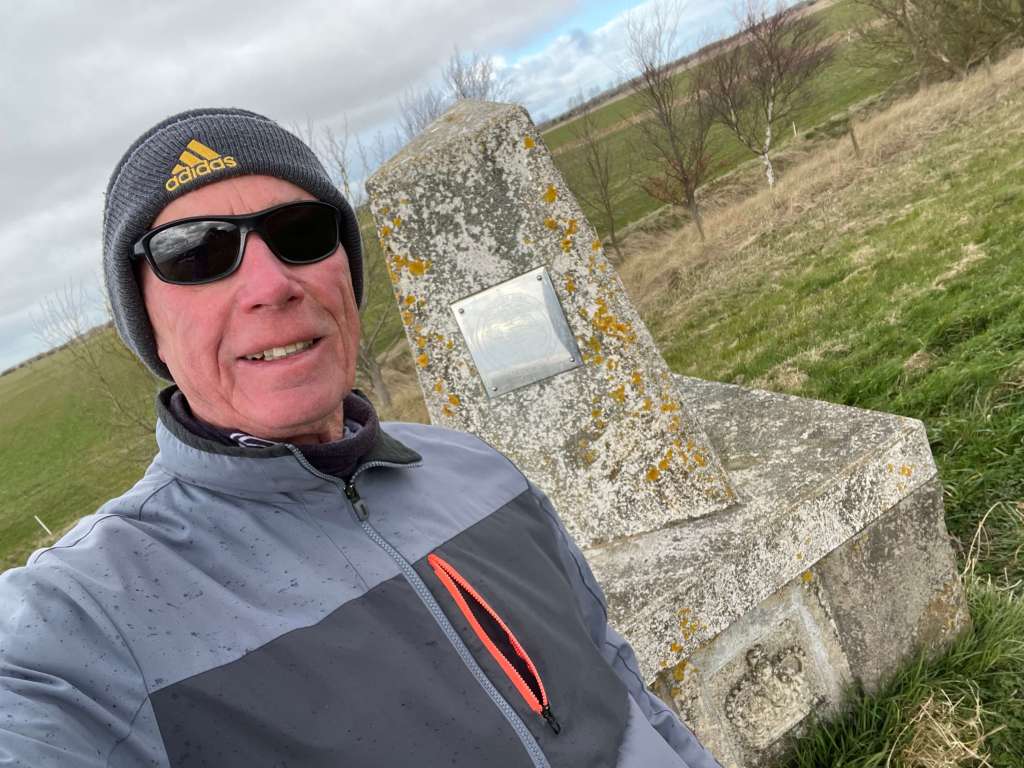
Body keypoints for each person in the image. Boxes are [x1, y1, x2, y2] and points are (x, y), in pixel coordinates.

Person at [0, 108, 721, 767]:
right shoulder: (90, 619)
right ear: (146, 323)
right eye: (197, 253)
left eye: (300, 233)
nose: (271, 284)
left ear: (345, 268)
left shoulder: (475, 467)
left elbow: (620, 682)